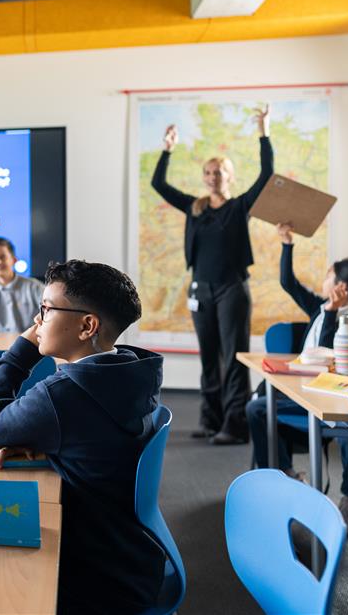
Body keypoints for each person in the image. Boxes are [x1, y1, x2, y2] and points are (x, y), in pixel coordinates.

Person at [0, 260, 164, 614]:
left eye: (46, 309)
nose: (37, 320)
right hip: (131, 559)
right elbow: (94, 440)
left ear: (87, 325)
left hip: (91, 577)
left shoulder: (64, 395)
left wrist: (21, 351)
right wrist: (46, 446)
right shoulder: (132, 370)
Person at [247, 223, 348, 531]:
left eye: (328, 275)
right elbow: (288, 283)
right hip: (304, 393)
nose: (323, 280)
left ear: (342, 287)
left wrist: (332, 313)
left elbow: (326, 354)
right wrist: (287, 244)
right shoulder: (321, 307)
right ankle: (286, 476)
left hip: (333, 397)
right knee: (257, 408)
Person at [151, 105, 273, 445]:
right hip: (200, 289)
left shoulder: (240, 206)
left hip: (232, 289)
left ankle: (235, 426)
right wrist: (167, 149)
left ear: (229, 176)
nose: (212, 176)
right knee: (208, 358)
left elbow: (267, 175)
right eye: (208, 172)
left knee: (233, 359)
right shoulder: (195, 207)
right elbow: (158, 183)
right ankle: (211, 420)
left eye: (219, 171)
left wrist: (264, 133)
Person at [0, 236, 43, 334]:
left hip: (32, 341)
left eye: (2, 257)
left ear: (14, 260)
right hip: (2, 343)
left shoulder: (35, 287)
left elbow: (48, 318)